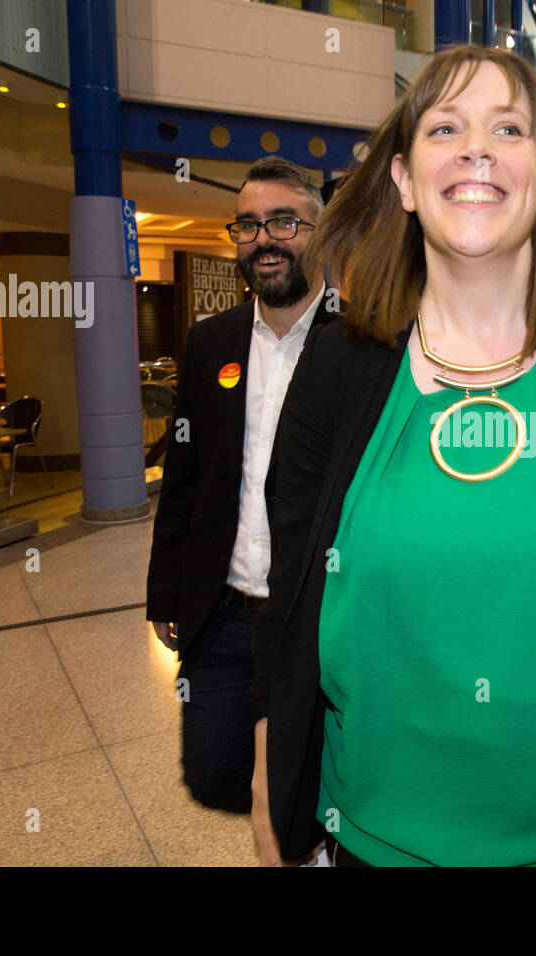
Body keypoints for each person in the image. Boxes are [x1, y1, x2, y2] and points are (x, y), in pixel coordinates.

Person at [249, 46, 536, 867]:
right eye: (446, 127)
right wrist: (270, 795)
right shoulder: (340, 366)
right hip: (381, 841)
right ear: (403, 178)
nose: (477, 148)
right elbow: (288, 606)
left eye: (508, 127)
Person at [145, 156, 332, 813]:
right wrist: (165, 590)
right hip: (223, 614)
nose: (265, 239)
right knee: (216, 778)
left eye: (285, 222)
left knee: (315, 787)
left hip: (323, 618)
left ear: (321, 231)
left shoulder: (365, 340)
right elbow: (186, 478)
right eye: (248, 225)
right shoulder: (209, 341)